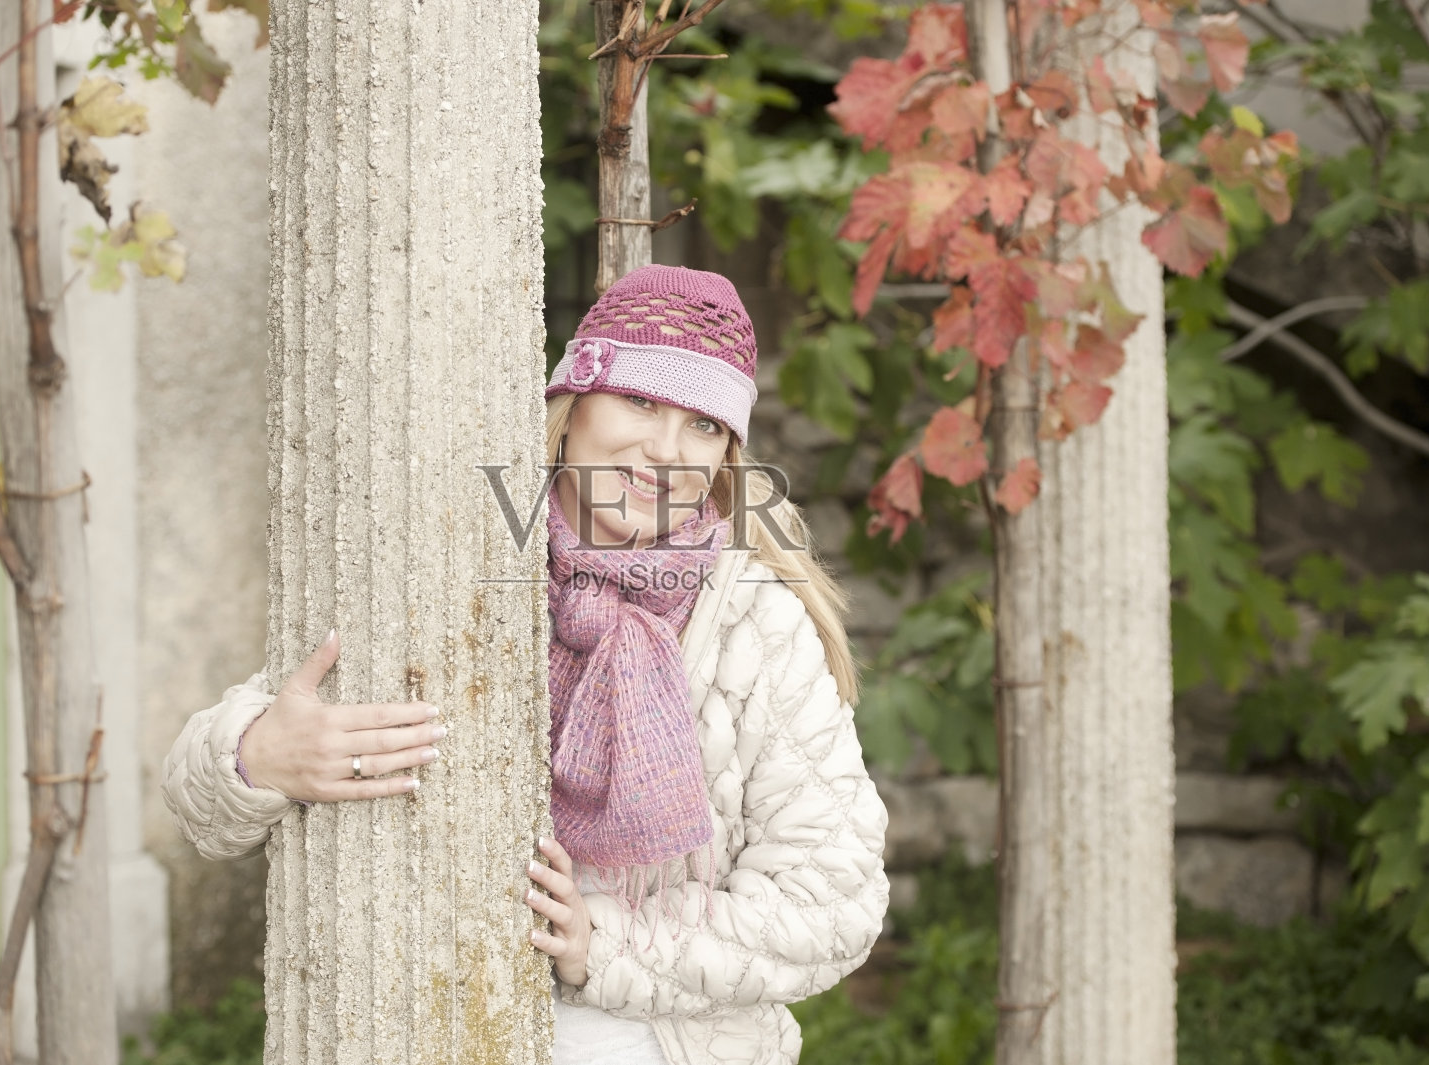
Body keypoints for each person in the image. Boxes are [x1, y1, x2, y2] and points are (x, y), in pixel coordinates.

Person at [161, 264, 890, 1065]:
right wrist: (256, 753)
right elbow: (195, 795)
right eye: (641, 399)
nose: (665, 450)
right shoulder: (455, 558)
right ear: (572, 403)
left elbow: (833, 903)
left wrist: (605, 943)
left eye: (703, 425)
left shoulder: (752, 616)